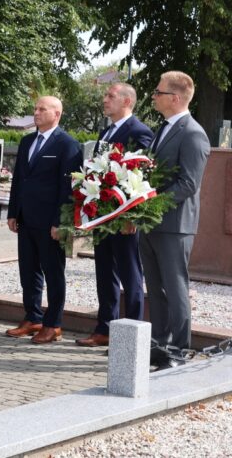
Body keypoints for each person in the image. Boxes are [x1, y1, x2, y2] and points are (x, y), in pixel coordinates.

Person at [140, 71, 210, 370]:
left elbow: (189, 183)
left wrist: (150, 203)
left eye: (159, 92)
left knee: (174, 286)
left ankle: (178, 350)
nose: (154, 96)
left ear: (176, 97)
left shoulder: (193, 133)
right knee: (155, 287)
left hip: (174, 224)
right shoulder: (163, 129)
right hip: (152, 223)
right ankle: (158, 344)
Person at [76, 82, 154, 348]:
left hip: (124, 218)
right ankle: (105, 328)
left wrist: (132, 216)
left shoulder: (140, 132)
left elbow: (143, 174)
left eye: (110, 96)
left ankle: (131, 336)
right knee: (104, 272)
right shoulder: (106, 131)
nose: (105, 100)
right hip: (104, 215)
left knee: (130, 274)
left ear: (126, 102)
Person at [4, 96, 82, 344]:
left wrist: (61, 222)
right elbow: (19, 180)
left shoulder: (67, 144)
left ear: (57, 113)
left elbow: (68, 188)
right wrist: (13, 212)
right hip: (26, 219)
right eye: (35, 108)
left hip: (50, 223)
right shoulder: (27, 141)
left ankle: (53, 324)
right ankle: (33, 317)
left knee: (53, 273)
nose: (36, 113)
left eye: (42, 109)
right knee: (28, 271)